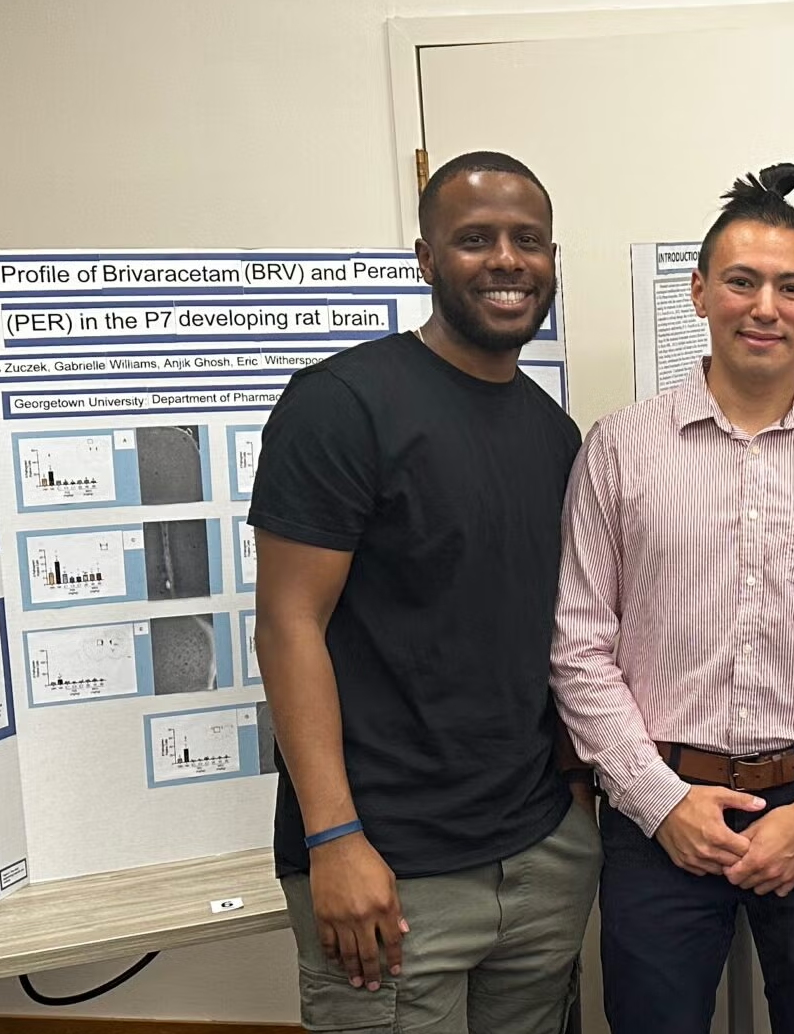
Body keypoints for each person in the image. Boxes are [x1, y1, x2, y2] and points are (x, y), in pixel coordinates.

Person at [549, 164, 794, 1034]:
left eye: (792, 287)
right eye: (743, 282)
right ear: (698, 293)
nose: (766, 307)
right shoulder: (620, 449)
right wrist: (658, 801)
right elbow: (578, 648)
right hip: (659, 819)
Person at [252, 150, 598, 1034]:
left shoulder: (555, 435)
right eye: (475, 239)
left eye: (530, 240)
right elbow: (290, 625)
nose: (507, 260)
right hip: (389, 867)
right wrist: (333, 840)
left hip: (538, 856)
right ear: (425, 258)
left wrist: (572, 811)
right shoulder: (342, 405)